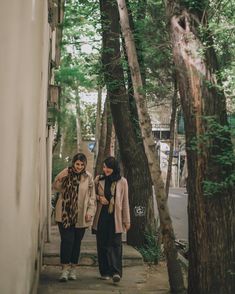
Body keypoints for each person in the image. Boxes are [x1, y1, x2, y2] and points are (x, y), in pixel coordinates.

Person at [52, 153, 96, 282]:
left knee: (77, 243)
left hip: (81, 216)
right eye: (77, 164)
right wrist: (62, 175)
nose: (79, 167)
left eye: (82, 164)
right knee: (67, 241)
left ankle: (73, 269)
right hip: (64, 215)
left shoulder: (88, 177)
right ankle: (64, 269)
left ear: (85, 165)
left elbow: (92, 197)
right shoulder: (66, 173)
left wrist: (90, 212)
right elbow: (56, 187)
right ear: (73, 163)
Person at [92, 156, 131, 283]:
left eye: (108, 167)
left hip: (116, 218)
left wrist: (127, 220)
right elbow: (91, 195)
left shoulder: (122, 181)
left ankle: (116, 272)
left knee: (115, 245)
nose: (106, 169)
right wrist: (99, 198)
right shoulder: (99, 179)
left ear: (114, 168)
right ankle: (105, 272)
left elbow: (125, 202)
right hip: (102, 216)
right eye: (104, 167)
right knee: (102, 244)